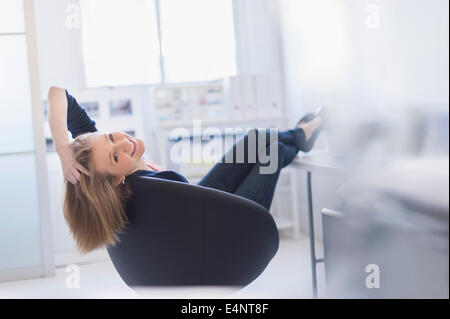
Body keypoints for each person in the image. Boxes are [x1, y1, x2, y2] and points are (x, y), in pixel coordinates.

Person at [48, 86, 323, 277]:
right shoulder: (161, 188)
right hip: (232, 231)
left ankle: (301, 134)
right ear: (117, 181)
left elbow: (58, 94)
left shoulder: (107, 170)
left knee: (256, 139)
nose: (123, 143)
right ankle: (304, 133)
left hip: (204, 208)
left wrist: (64, 147)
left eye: (110, 137)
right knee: (272, 153)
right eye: (115, 156)